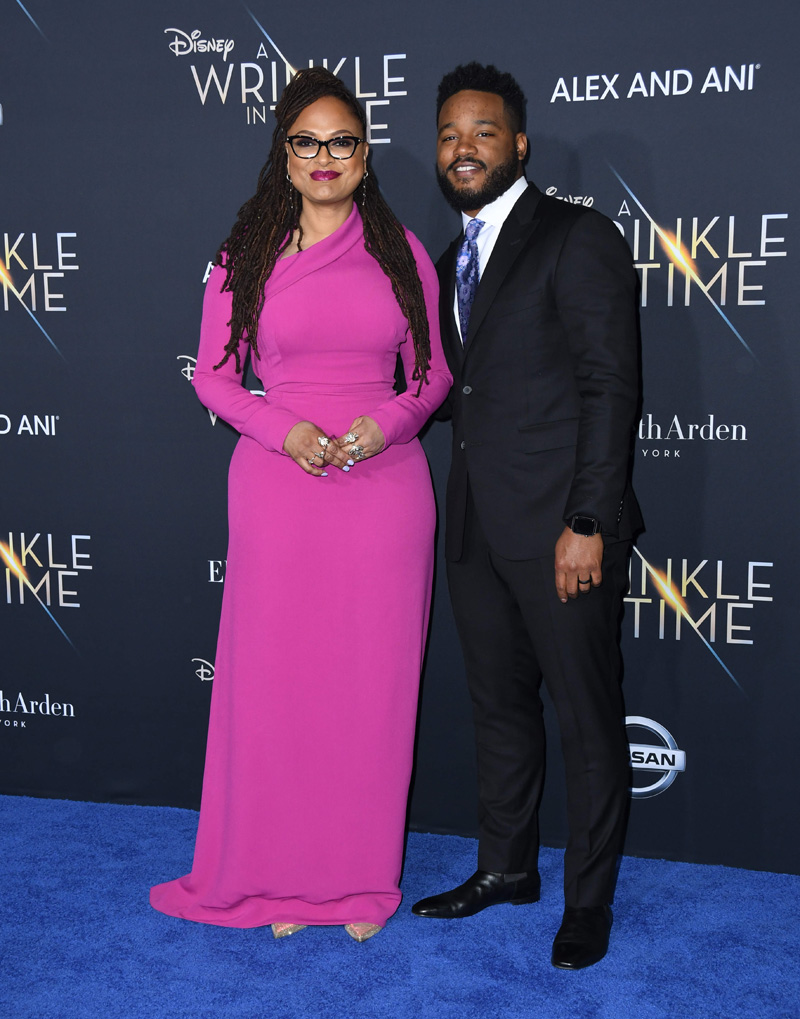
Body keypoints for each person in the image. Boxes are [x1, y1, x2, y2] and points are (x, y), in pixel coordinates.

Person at [150, 67, 451, 943]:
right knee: (283, 693)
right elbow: (212, 377)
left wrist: (386, 422)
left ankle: (356, 884)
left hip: (383, 494)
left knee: (368, 692)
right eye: (306, 142)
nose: (325, 158)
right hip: (280, 494)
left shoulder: (399, 252)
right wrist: (286, 432)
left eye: (342, 142)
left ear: (365, 155)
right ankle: (279, 879)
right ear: (284, 155)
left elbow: (432, 376)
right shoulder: (245, 253)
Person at [411, 63, 642, 970]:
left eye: (482, 131)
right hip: (473, 529)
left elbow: (609, 385)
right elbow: (435, 389)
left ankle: (588, 901)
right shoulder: (440, 265)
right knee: (499, 711)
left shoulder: (576, 236)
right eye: (448, 135)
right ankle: (506, 869)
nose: (462, 149)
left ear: (519, 143)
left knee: (587, 718)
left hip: (561, 532)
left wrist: (588, 517)